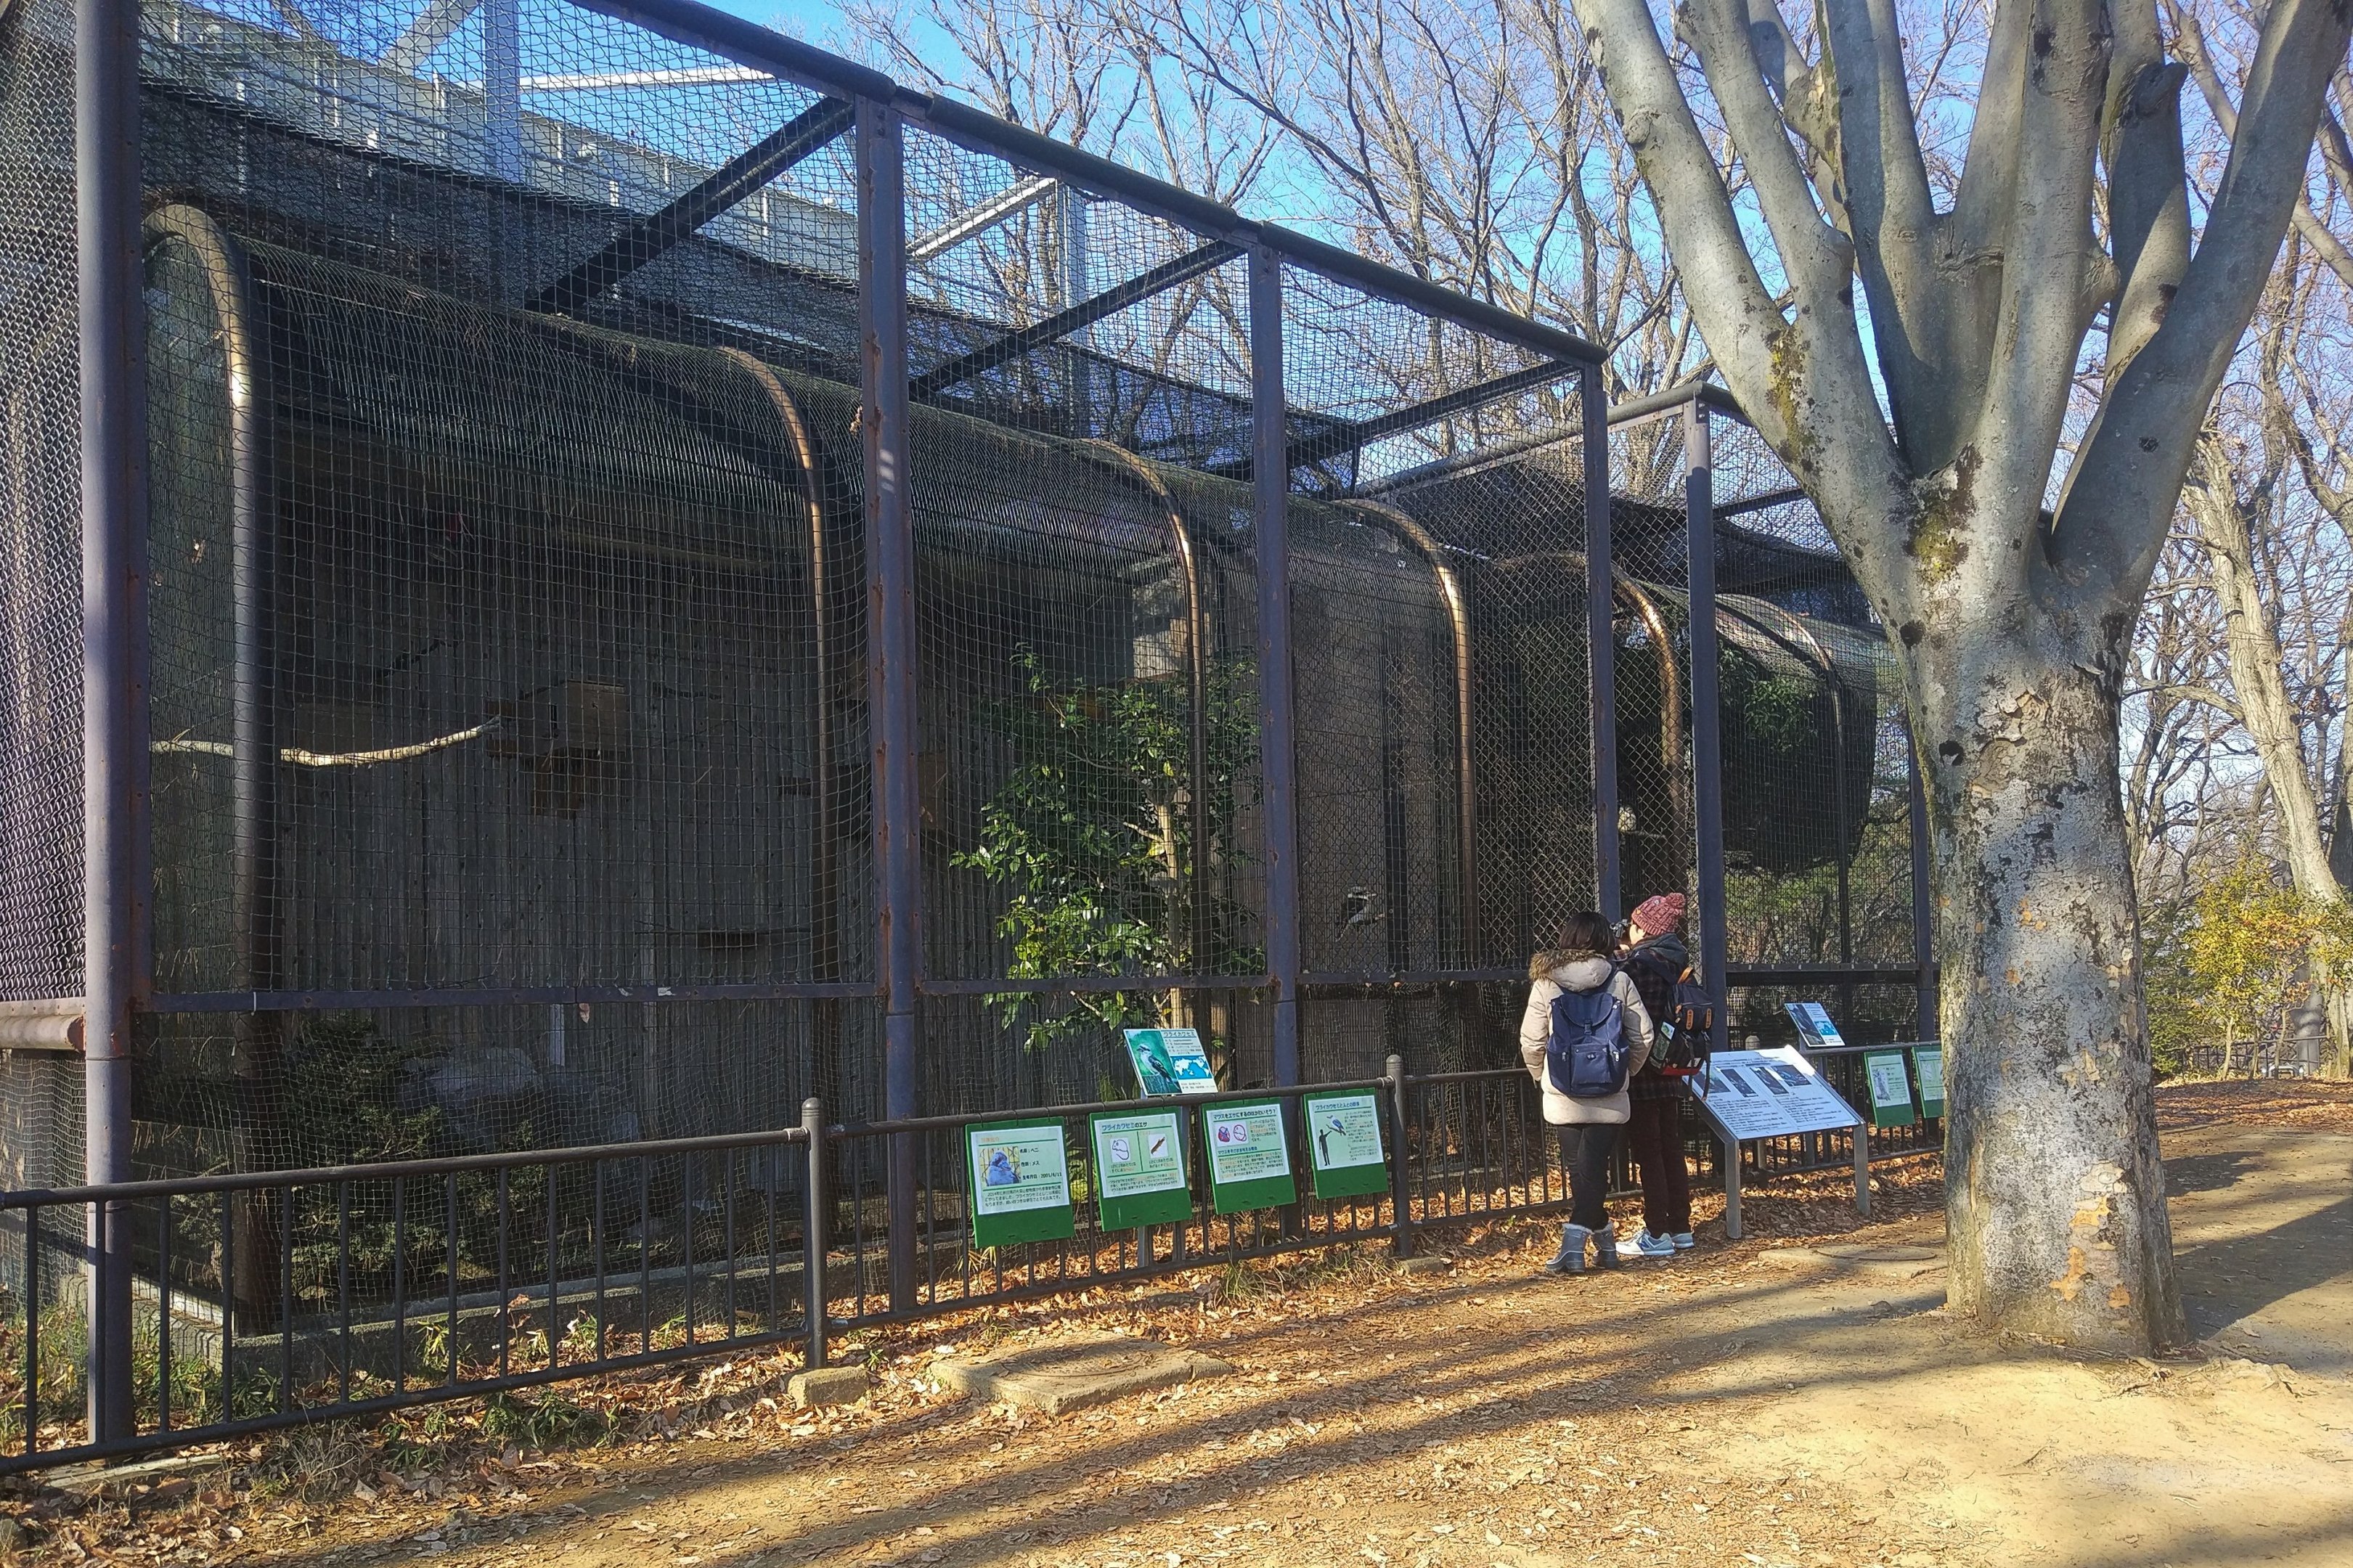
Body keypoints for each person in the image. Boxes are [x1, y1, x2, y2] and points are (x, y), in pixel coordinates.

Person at [1518, 911, 1653, 1275]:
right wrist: (1625, 1072)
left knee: (1582, 1170)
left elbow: (1531, 1040)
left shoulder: (1547, 983)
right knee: (1592, 1170)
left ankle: (1572, 1248)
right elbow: (1643, 1037)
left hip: (1564, 1091)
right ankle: (1605, 1244)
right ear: (1605, 943)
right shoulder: (1620, 980)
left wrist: (1540, 1076)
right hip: (1609, 1092)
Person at [1618, 893, 1698, 1257]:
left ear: (1644, 928)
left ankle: (1656, 1232)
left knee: (1648, 1152)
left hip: (1643, 1070)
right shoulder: (1679, 962)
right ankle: (1681, 1227)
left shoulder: (1638, 966)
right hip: (1673, 1066)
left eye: (1634, 925)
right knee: (1671, 1148)